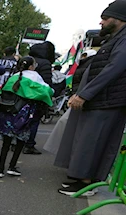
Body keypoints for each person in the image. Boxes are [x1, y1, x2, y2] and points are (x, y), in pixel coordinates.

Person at [55, 1, 126, 196]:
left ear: (119, 19)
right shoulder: (117, 38)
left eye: (105, 18)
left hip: (106, 100)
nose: (101, 22)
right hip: (104, 99)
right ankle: (83, 180)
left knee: (92, 140)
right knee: (89, 139)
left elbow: (113, 69)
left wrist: (85, 94)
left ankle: (85, 183)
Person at [0, 56, 53, 178]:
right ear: (31, 66)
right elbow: (46, 90)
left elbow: (0, 91)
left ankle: (0, 169)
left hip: (8, 111)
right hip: (24, 112)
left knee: (6, 142)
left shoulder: (14, 76)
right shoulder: (34, 76)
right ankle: (12, 166)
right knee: (21, 140)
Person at [25, 40, 55, 155]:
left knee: (23, 119)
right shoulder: (45, 63)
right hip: (37, 97)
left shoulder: (27, 60)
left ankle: (17, 142)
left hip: (23, 95)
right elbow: (47, 83)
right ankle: (29, 144)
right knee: (34, 121)